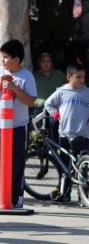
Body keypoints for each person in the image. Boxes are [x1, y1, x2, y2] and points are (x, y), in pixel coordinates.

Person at [0, 39, 37, 209]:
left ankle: (16, 196)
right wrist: (0, 84)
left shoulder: (26, 76)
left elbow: (31, 101)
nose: (3, 61)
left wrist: (14, 88)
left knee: (17, 162)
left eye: (5, 57)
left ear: (16, 59)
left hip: (18, 126)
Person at [45, 63, 89, 202]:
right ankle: (65, 193)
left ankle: (83, 196)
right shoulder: (62, 91)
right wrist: (55, 114)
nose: (82, 80)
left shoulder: (87, 92)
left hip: (83, 134)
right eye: (78, 77)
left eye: (83, 77)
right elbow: (48, 103)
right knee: (66, 166)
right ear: (69, 77)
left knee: (84, 166)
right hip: (65, 134)